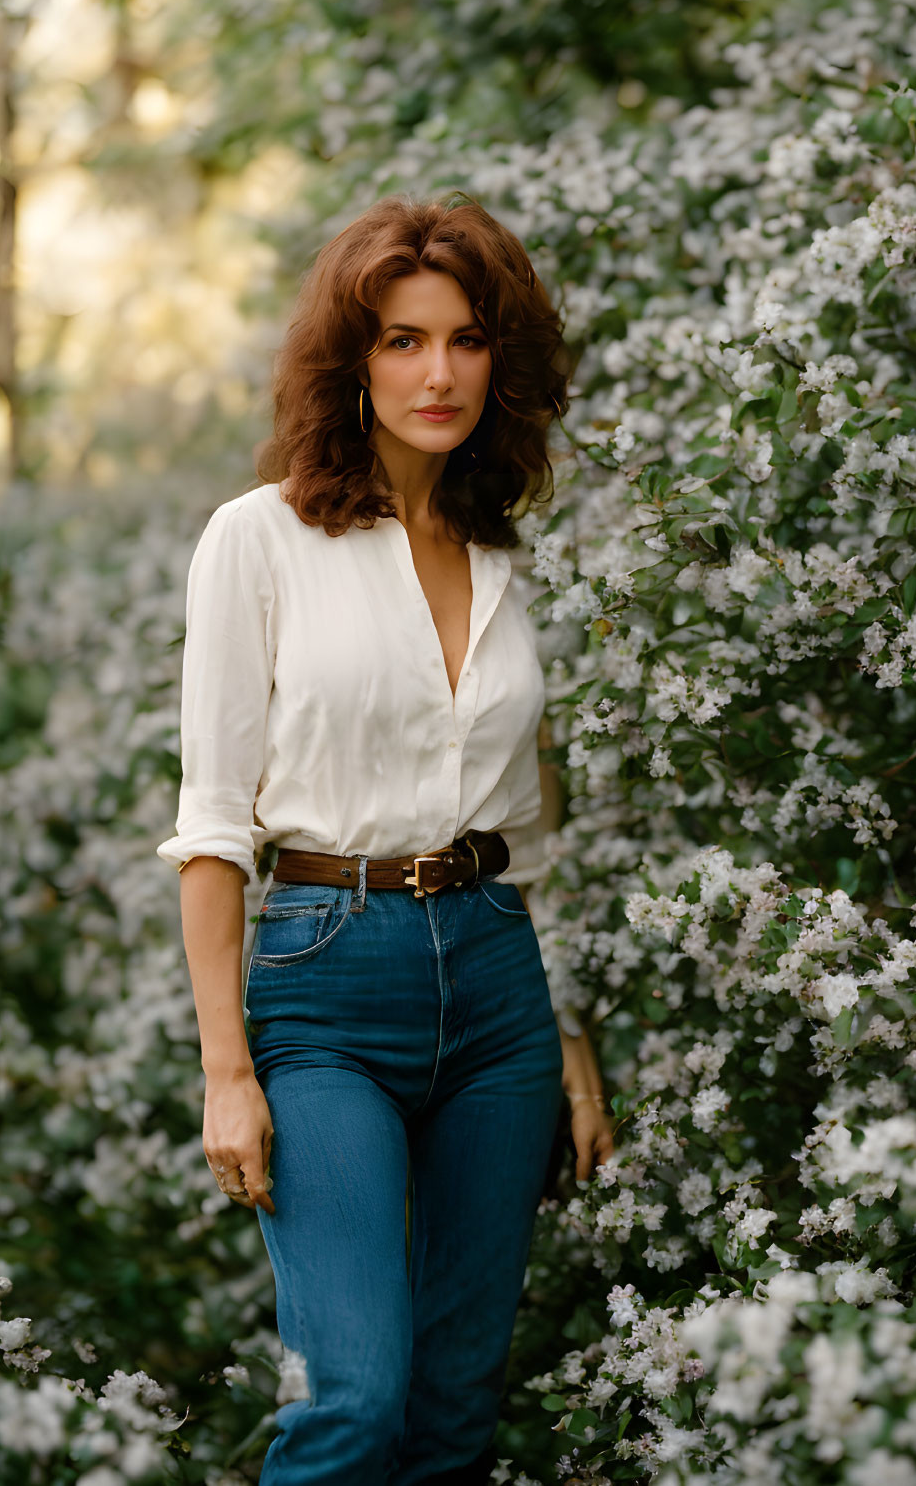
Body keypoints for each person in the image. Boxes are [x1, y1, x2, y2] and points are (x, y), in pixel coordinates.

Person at [155, 191, 614, 1486]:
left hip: (497, 987)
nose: (438, 372)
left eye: (466, 340)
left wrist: (568, 1034)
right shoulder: (259, 539)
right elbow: (212, 824)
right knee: (354, 1402)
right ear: (350, 360)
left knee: (456, 1414)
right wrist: (226, 1072)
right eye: (404, 340)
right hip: (324, 980)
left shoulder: (501, 554)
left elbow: (532, 831)